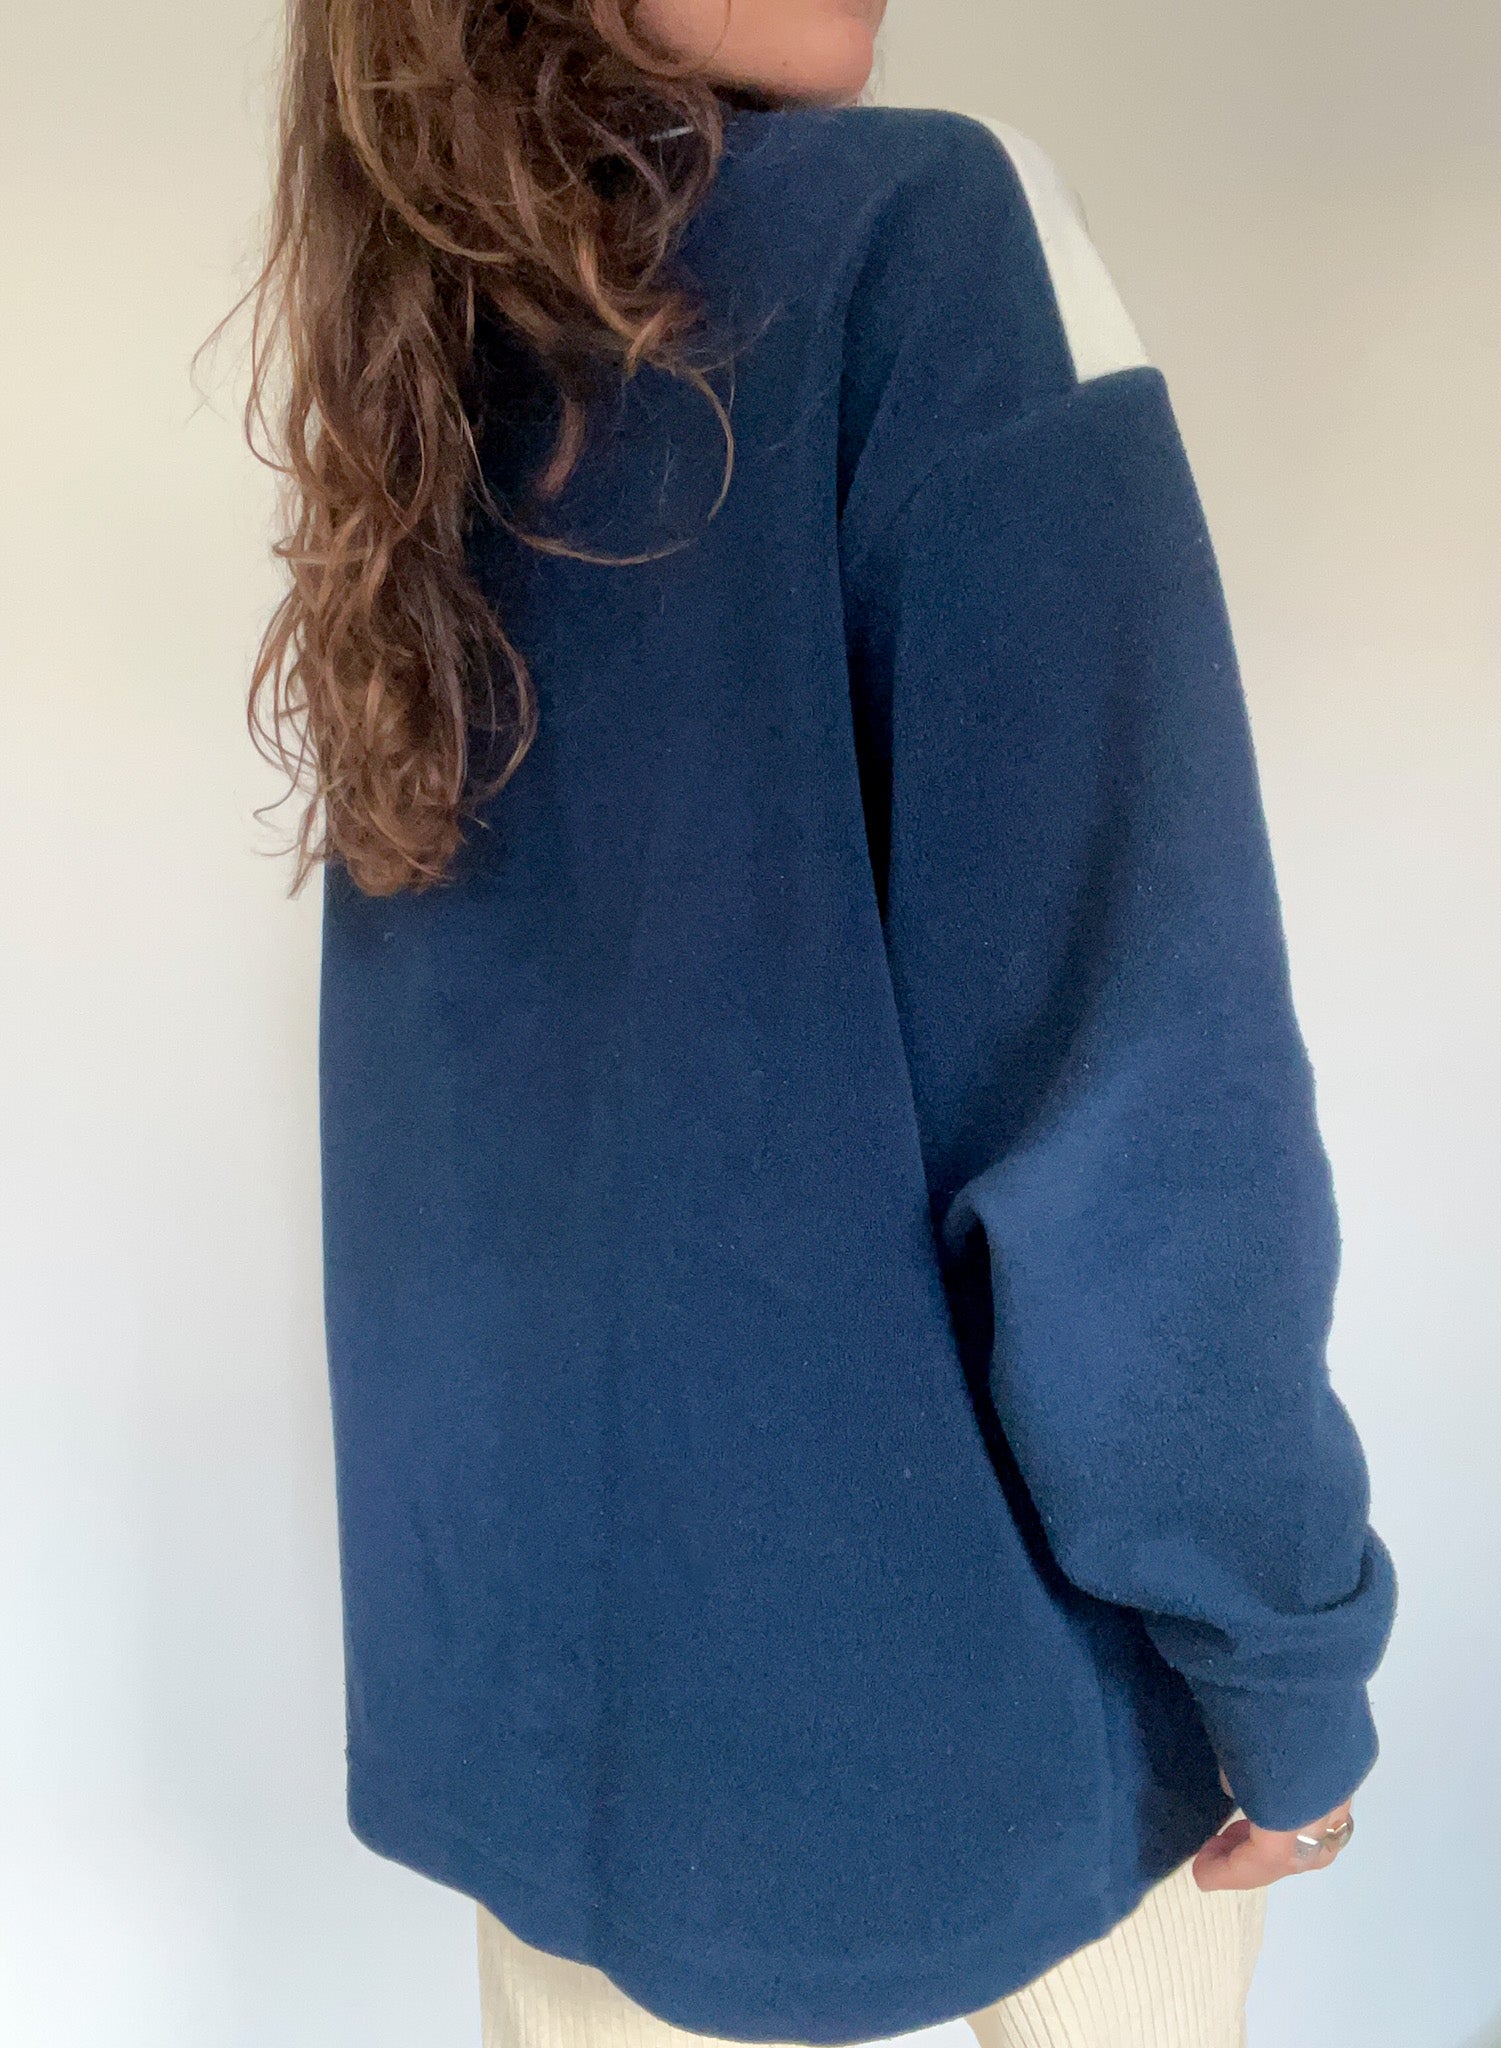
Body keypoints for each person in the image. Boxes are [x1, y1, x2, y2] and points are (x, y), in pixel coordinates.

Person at [236, 1, 1398, 2043]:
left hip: (566, 1757)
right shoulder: (927, 239)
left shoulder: (426, 369)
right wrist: (1284, 1674)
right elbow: (1138, 1109)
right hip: (1009, 1746)